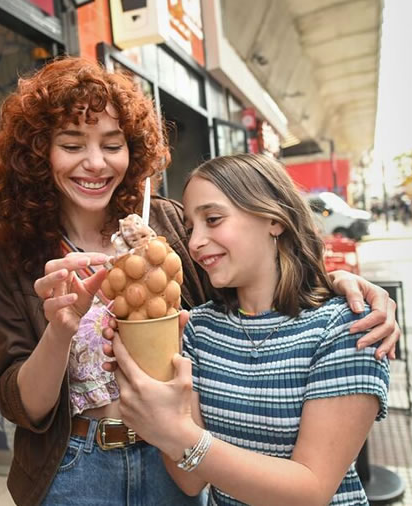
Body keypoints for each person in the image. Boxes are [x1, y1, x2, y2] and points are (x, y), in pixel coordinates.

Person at [0, 57, 400, 506]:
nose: (96, 163)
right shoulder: (8, 259)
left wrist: (337, 283)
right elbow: (22, 406)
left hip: (178, 458)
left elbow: (250, 284)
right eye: (73, 144)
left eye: (113, 144)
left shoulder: (168, 224)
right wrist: (59, 332)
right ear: (39, 152)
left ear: (133, 149)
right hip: (75, 466)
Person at [103, 153, 390, 505]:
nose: (194, 243)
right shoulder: (199, 329)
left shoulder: (346, 325)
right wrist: (152, 372)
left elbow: (311, 491)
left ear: (273, 218)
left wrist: (178, 433)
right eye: (191, 229)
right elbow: (189, 482)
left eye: (213, 219)